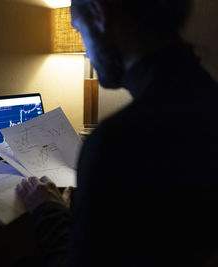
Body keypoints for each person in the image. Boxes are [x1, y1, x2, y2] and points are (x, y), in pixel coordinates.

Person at [15, 0, 218, 266]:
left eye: (79, 30)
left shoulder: (119, 142)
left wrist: (49, 210)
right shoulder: (207, 97)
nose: (87, 52)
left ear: (100, 14)